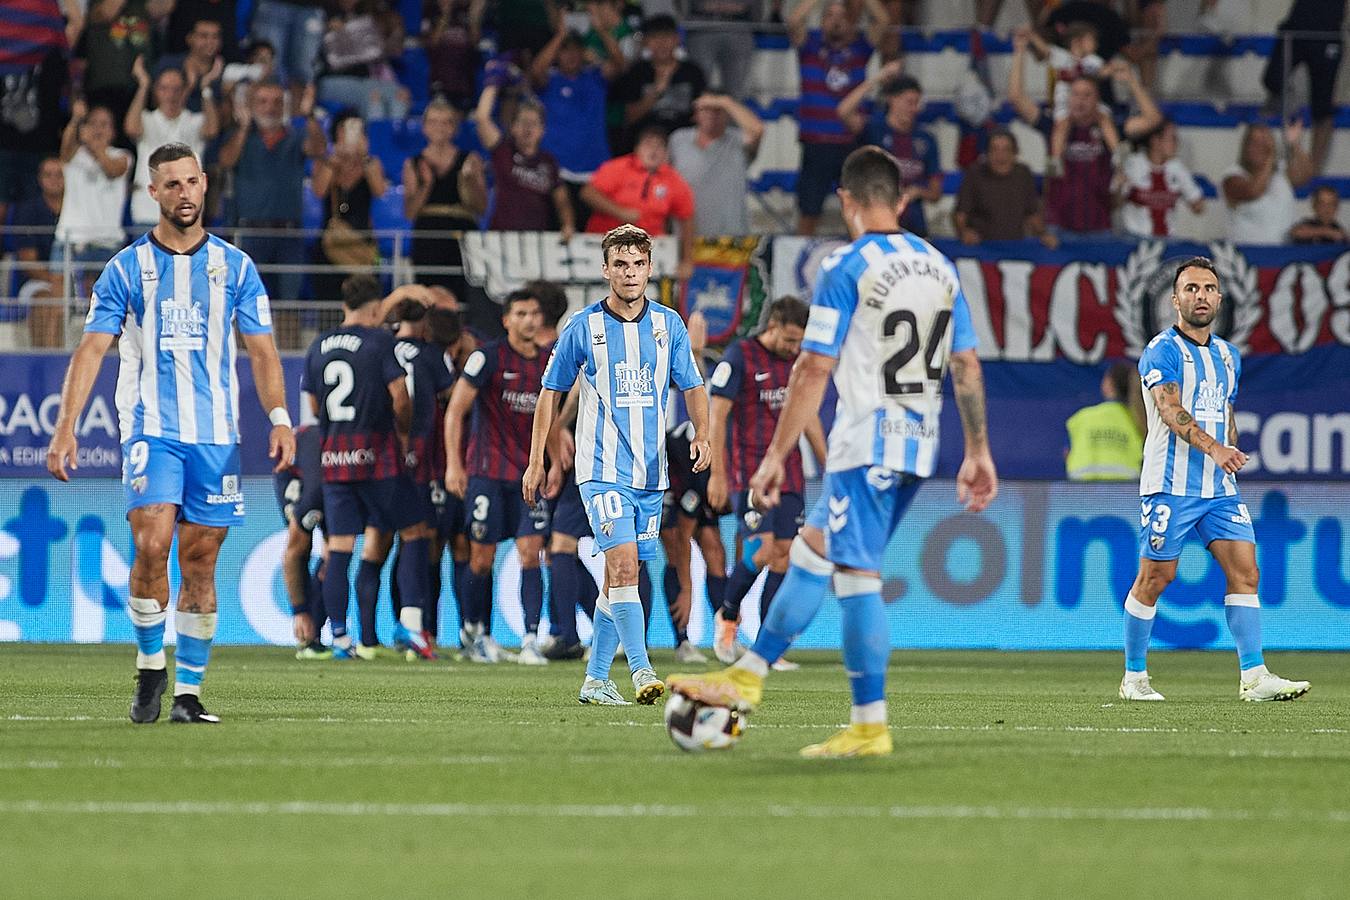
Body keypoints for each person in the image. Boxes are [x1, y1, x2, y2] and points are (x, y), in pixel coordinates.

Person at [668, 146, 998, 758]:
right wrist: (977, 449)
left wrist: (774, 455)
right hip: (918, 444)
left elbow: (814, 366)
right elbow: (967, 363)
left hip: (866, 439)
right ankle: (757, 679)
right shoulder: (940, 265)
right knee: (818, 556)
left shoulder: (845, 265)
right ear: (901, 201)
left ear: (845, 200)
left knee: (856, 576)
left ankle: (864, 724)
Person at [46, 142, 296, 725]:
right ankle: (149, 663)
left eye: (191, 182)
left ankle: (187, 694)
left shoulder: (235, 267)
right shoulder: (126, 269)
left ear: (205, 184)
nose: (183, 193)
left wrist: (280, 418)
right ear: (152, 192)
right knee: (152, 542)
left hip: (215, 435)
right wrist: (66, 429)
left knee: (201, 560)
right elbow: (91, 351)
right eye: (171, 185)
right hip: (149, 429)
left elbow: (262, 351)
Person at [524, 223, 711, 705]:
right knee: (625, 566)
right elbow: (550, 395)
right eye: (621, 265)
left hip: (650, 475)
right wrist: (535, 461)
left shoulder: (668, 325)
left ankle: (595, 679)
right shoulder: (583, 328)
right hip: (600, 468)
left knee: (617, 577)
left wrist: (704, 435)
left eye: (639, 265)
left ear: (650, 269)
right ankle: (642, 670)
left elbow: (692, 386)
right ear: (606, 270)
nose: (630, 273)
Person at [1120, 257, 1309, 704]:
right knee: (1156, 577)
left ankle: (1254, 676)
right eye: (1190, 288)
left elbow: (1223, 410)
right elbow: (1170, 410)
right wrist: (1215, 448)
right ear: (1175, 298)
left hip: (1219, 490)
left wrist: (1230, 445)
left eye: (1208, 288)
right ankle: (1134, 678)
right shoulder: (1162, 350)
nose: (1200, 296)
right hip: (1171, 484)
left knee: (1246, 572)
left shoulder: (1228, 355)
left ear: (1220, 298)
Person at [302, 274, 435, 661]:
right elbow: (400, 396)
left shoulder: (318, 346)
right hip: (379, 457)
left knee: (338, 548)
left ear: (344, 304)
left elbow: (312, 407)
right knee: (414, 531)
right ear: (376, 308)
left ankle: (342, 639)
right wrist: (404, 432)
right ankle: (411, 626)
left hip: (334, 459)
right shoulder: (381, 342)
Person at [707, 296, 827, 664]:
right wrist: (717, 474)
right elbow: (718, 417)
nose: (794, 347)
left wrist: (828, 464)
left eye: (799, 342)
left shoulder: (798, 364)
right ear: (771, 326)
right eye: (789, 339)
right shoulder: (739, 356)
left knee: (784, 557)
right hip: (749, 472)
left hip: (789, 473)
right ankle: (727, 616)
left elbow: (807, 417)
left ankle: (764, 649)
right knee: (760, 550)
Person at [445, 290, 554, 665]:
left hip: (528, 476)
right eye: (521, 313)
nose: (529, 320)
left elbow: (549, 418)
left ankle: (529, 641)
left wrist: (553, 461)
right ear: (507, 320)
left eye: (534, 313)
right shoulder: (487, 357)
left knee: (530, 553)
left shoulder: (547, 363)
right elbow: (455, 411)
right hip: (487, 474)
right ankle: (476, 633)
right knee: (481, 558)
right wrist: (454, 465)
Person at [218, 81, 327, 340]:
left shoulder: (296, 136)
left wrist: (309, 115)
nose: (271, 108)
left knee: (289, 305)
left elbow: (319, 149)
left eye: (278, 102)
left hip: (288, 234)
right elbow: (226, 160)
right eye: (263, 101)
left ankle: (288, 366)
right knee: (246, 305)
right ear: (251, 105)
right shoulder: (240, 137)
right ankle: (243, 370)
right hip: (250, 233)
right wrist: (244, 126)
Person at [387, 289, 456, 652]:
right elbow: (452, 397)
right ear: (425, 323)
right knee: (421, 538)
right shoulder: (434, 355)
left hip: (382, 456)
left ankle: (361, 633)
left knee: (374, 547)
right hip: (423, 456)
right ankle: (418, 627)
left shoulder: (382, 346)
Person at [788, 0, 890, 236]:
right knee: (808, 211)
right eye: (830, 16)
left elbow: (883, 21)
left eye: (842, 16)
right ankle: (799, 263)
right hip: (816, 141)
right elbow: (794, 21)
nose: (836, 21)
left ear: (851, 23)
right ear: (822, 22)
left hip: (850, 143)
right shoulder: (810, 49)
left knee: (859, 210)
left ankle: (860, 258)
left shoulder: (860, 50)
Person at [530, 26, 620, 230]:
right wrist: (560, 34)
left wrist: (602, 29)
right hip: (556, 171)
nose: (571, 55)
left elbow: (619, 64)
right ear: (557, 54)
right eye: (565, 50)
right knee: (556, 230)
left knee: (594, 235)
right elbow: (536, 70)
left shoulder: (596, 77)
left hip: (594, 172)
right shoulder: (549, 81)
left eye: (576, 50)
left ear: (584, 53)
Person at [839, 65, 942, 238]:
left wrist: (918, 192)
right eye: (909, 102)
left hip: (913, 225)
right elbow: (843, 111)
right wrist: (876, 79)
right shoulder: (874, 129)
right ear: (892, 100)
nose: (914, 108)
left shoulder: (926, 139)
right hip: (872, 222)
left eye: (917, 103)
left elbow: (935, 191)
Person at [582, 126, 696, 280]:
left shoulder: (672, 179)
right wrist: (619, 212)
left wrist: (687, 260)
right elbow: (588, 193)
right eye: (648, 144)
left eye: (659, 146)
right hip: (604, 249)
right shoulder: (618, 168)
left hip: (647, 253)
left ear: (666, 153)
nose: (654, 150)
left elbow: (687, 217)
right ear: (637, 149)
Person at [402, 99, 487, 292]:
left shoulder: (470, 160)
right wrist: (426, 185)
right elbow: (409, 212)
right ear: (424, 127)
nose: (439, 127)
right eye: (433, 121)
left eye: (446, 122)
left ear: (454, 128)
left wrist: (469, 181)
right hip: (428, 235)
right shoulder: (413, 163)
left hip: (462, 233)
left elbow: (481, 208)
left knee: (465, 293)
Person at [52, 102, 132, 301]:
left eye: (104, 124)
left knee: (106, 307)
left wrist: (95, 146)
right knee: (57, 303)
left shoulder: (123, 156)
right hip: (70, 242)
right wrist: (76, 119)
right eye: (93, 123)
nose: (98, 129)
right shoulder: (74, 156)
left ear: (113, 131)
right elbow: (64, 150)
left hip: (107, 244)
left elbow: (113, 170)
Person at [125, 60, 219, 227]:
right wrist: (143, 85)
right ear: (156, 92)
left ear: (185, 91)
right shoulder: (147, 120)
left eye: (176, 89)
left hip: (186, 216)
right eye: (164, 89)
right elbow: (131, 128)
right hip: (148, 213)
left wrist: (205, 88)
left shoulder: (194, 121)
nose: (171, 95)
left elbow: (212, 130)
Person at [473, 87, 575, 238]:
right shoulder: (503, 151)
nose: (528, 128)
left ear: (542, 130)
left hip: (536, 239)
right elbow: (481, 118)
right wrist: (492, 84)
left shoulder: (549, 162)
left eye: (533, 123)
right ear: (513, 127)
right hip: (501, 237)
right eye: (523, 122)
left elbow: (562, 200)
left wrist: (568, 224)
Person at [275, 397, 331, 659]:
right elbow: (293, 553)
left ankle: (319, 634)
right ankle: (306, 627)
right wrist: (299, 610)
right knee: (301, 544)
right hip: (296, 475)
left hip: (337, 477)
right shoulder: (315, 483)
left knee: (335, 555)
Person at [312, 114, 389, 303]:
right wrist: (335, 160)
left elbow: (380, 190)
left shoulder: (372, 163)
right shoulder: (325, 162)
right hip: (330, 242)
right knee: (329, 302)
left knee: (364, 300)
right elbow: (320, 190)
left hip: (362, 244)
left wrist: (362, 156)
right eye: (346, 129)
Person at [1262, 0, 1343, 174]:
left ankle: (1314, 167)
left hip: (1328, 32)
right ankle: (1269, 154)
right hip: (1297, 26)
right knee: (1272, 79)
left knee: (1323, 107)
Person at [668, 92, 764, 238]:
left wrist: (725, 101)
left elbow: (757, 130)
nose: (711, 115)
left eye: (718, 110)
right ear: (695, 113)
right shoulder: (678, 139)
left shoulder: (737, 140)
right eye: (706, 109)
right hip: (686, 237)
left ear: (728, 114)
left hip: (730, 238)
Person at [615, 15, 706, 153]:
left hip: (685, 146)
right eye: (655, 38)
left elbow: (702, 115)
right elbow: (629, 117)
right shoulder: (637, 72)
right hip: (644, 145)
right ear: (645, 42)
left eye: (666, 37)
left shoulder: (692, 72)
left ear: (677, 39)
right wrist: (656, 93)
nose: (661, 43)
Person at [953, 129, 1055, 246]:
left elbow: (1032, 213)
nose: (1000, 156)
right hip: (981, 248)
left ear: (1014, 153)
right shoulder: (974, 174)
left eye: (1006, 150)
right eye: (994, 150)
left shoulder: (1023, 174)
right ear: (987, 153)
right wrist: (964, 232)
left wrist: (1043, 234)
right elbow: (961, 213)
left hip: (1015, 247)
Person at [1222, 122, 1315, 246]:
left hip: (1283, 254)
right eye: (1255, 143)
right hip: (1248, 255)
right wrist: (1270, 156)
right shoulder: (1233, 176)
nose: (1260, 147)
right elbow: (1253, 191)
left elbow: (1306, 175)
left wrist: (1294, 144)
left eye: (1264, 143)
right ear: (1246, 146)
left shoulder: (1280, 174)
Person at [317, 0, 411, 120]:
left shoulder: (366, 14)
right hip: (331, 80)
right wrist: (327, 29)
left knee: (399, 94)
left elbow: (386, 51)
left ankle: (392, 136)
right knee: (373, 98)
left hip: (364, 81)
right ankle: (375, 137)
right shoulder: (321, 12)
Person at [10, 156, 65, 348]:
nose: (54, 179)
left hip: (74, 281)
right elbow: (28, 261)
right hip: (39, 282)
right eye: (48, 175)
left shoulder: (76, 210)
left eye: (59, 174)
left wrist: (66, 284)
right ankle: (45, 364)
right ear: (40, 179)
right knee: (46, 302)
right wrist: (56, 281)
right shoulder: (28, 211)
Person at [1118, 120, 1204, 240]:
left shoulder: (1177, 168)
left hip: (1168, 240)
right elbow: (1115, 203)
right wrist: (1120, 185)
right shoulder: (1133, 164)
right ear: (1155, 141)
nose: (1176, 144)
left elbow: (1199, 207)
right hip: (1135, 239)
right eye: (1172, 139)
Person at [1064, 361, 1144, 482]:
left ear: (1107, 384)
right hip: (1126, 494)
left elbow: (1067, 453)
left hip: (1081, 492)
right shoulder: (1141, 421)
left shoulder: (1082, 417)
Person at [423, 0, 485, 112]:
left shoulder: (465, 12)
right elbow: (433, 43)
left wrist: (474, 16)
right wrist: (445, 14)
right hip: (440, 79)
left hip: (464, 80)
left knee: (459, 121)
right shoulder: (432, 11)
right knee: (441, 115)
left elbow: (475, 42)